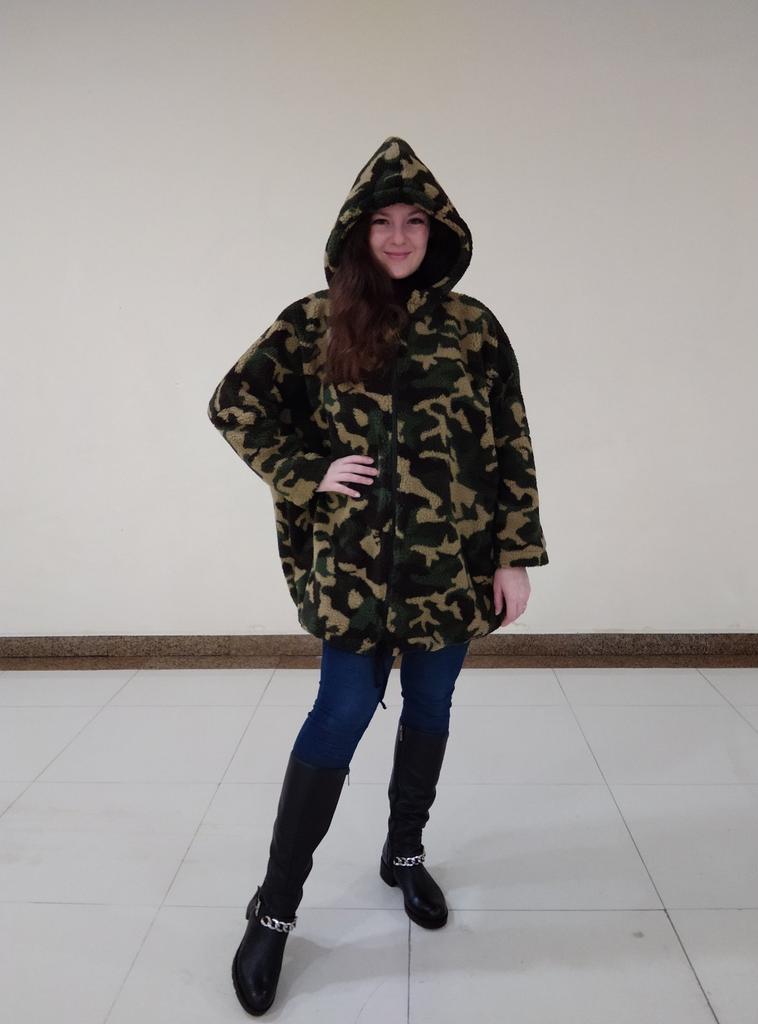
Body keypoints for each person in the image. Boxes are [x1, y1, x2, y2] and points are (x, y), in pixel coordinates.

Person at [207, 135, 549, 1016]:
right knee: (339, 716)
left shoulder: (474, 327)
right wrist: (306, 470)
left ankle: (404, 852)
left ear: (438, 232)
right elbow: (235, 403)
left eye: (415, 222)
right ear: (357, 233)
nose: (399, 237)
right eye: (382, 222)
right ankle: (274, 909)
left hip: (453, 567)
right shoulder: (316, 321)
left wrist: (513, 553)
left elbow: (510, 441)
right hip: (355, 568)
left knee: (431, 708)